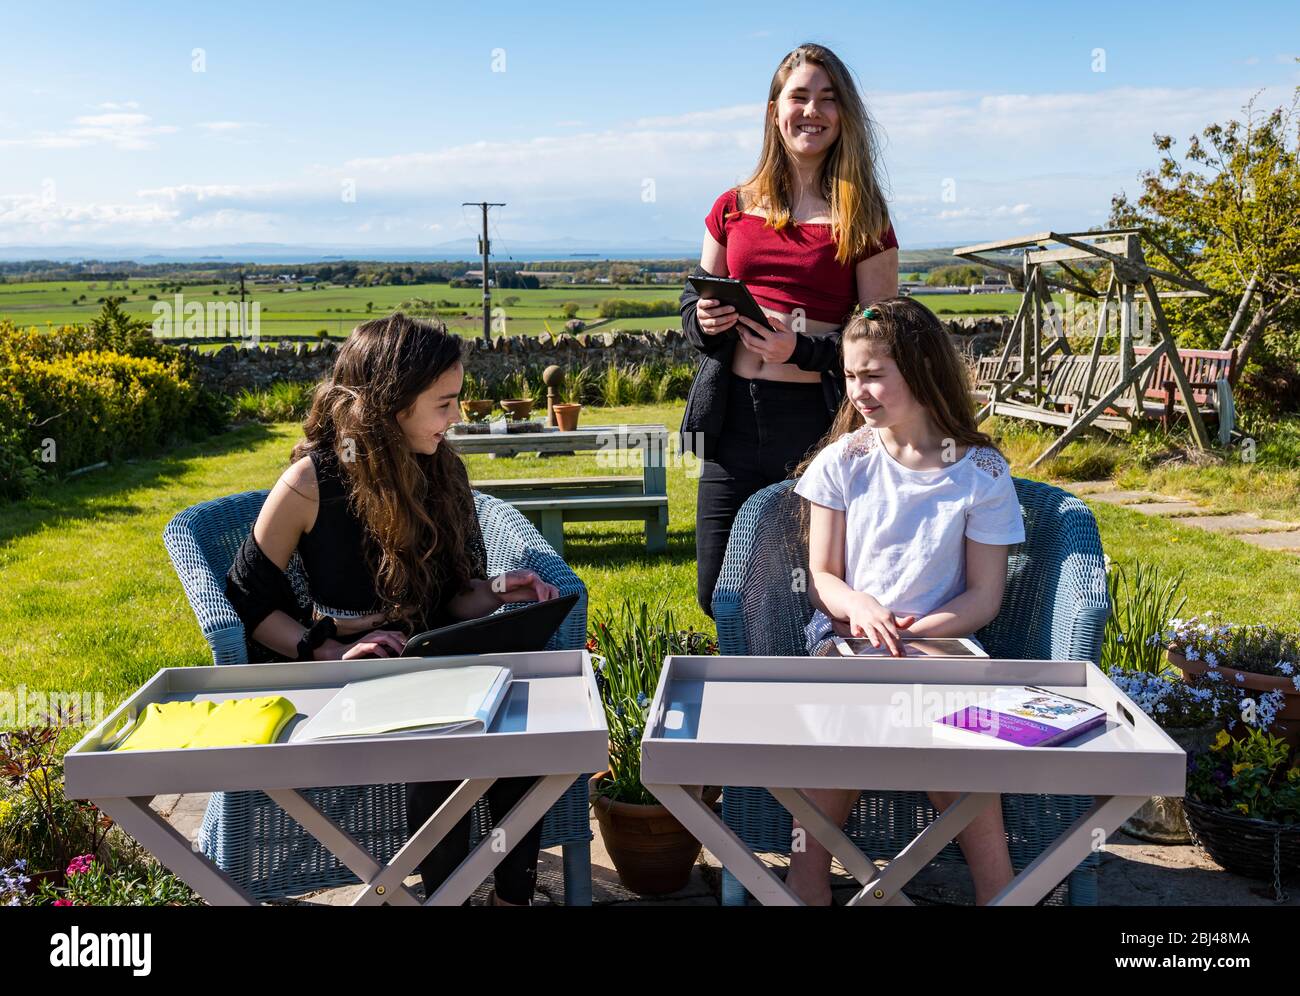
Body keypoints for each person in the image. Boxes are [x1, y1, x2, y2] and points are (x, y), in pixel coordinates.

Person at [224, 311, 559, 906]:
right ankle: (445, 897)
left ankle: (513, 896)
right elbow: (248, 600)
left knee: (521, 738)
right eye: (444, 403)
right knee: (441, 741)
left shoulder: (442, 467)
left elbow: (457, 595)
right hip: (350, 674)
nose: (456, 417)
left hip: (430, 655)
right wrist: (327, 649)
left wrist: (500, 591)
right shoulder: (311, 483)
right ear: (395, 402)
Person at [789, 297, 1027, 906]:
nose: (859, 390)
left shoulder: (979, 471)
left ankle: (996, 893)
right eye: (850, 375)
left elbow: (982, 597)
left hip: (944, 643)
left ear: (921, 370)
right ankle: (807, 882)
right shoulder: (843, 462)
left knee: (958, 735)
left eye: (874, 374)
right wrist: (864, 610)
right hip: (848, 638)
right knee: (836, 731)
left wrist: (917, 634)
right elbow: (823, 576)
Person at [679, 42, 899, 618]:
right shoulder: (732, 207)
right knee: (719, 594)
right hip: (731, 421)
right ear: (775, 109)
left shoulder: (866, 216)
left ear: (844, 114)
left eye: (828, 99)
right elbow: (696, 299)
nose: (812, 111)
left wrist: (797, 349)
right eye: (799, 96)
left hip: (818, 427)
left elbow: (884, 335)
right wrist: (705, 320)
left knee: (807, 594)